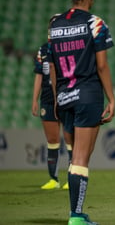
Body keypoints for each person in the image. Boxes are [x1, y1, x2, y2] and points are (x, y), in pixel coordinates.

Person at [48, 0, 115, 225]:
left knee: (74, 155)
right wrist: (112, 98)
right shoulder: (95, 24)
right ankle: (76, 216)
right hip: (88, 94)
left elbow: (52, 66)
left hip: (64, 95)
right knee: (81, 158)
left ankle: (77, 212)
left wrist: (56, 97)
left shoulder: (55, 24)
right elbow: (101, 66)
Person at [32, 36, 73, 190]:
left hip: (66, 96)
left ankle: (72, 178)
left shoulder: (67, 47)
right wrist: (34, 99)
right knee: (52, 139)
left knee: (70, 140)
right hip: (48, 100)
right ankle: (53, 179)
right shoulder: (43, 50)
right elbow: (39, 75)